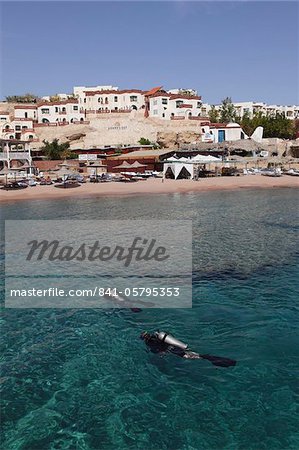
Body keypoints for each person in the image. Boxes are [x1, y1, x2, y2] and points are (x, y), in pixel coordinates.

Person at [140, 331, 236, 367]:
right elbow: (170, 336)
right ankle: (214, 359)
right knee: (194, 353)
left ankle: (216, 360)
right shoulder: (157, 335)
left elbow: (160, 353)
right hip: (175, 346)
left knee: (194, 356)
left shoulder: (149, 344)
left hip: (173, 350)